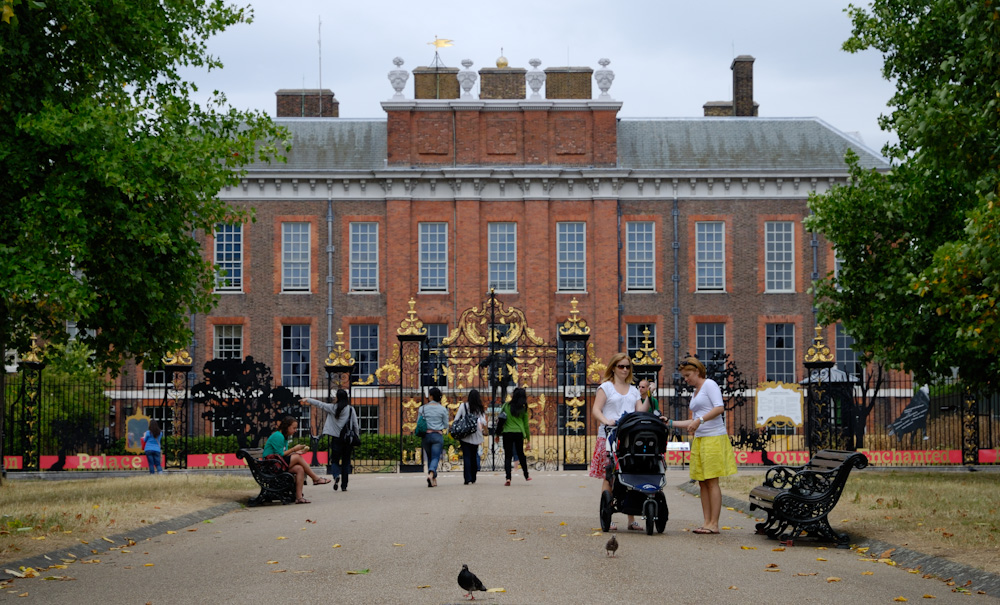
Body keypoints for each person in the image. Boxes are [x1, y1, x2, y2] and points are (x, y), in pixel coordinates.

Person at [672, 357, 737, 534]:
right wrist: (671, 422)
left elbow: (719, 408)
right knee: (702, 482)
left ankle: (714, 524)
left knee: (712, 481)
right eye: (684, 376)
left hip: (713, 438)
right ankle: (706, 522)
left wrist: (699, 420)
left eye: (687, 375)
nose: (685, 379)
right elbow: (694, 420)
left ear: (697, 372)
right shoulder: (696, 392)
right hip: (700, 439)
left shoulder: (709, 384)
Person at [590, 352, 650, 531]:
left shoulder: (633, 389)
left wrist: (647, 396)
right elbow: (596, 409)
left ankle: (632, 519)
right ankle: (608, 515)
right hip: (609, 435)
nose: (625, 369)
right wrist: (606, 420)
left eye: (627, 366)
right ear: (614, 368)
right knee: (610, 476)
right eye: (621, 366)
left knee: (630, 473)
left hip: (629, 437)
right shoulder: (606, 387)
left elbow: (640, 411)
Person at [262, 416, 330, 504]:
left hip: (277, 463)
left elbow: (282, 454)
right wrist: (294, 450)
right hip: (271, 465)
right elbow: (280, 454)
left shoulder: (283, 437)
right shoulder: (278, 436)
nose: (295, 430)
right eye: (294, 428)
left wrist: (296, 451)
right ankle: (315, 478)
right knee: (297, 457)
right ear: (287, 427)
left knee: (299, 469)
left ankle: (299, 498)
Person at [304, 389, 360, 492]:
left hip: (336, 438)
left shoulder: (332, 408)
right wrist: (357, 436)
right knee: (346, 462)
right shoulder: (350, 409)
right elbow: (355, 425)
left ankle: (336, 475)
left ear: (337, 398)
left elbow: (320, 404)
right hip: (347, 440)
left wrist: (308, 399)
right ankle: (344, 485)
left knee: (334, 460)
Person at [495, 386, 531, 486]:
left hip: (507, 433)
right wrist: (528, 440)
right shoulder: (523, 409)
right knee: (520, 454)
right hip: (518, 433)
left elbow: (500, 420)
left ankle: (508, 478)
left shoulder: (506, 406)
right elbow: (526, 425)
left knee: (508, 456)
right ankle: (526, 475)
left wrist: (497, 434)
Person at [453, 388, 487, 485]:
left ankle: (467, 478)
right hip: (475, 433)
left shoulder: (463, 406)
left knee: (466, 456)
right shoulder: (479, 407)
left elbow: (456, 419)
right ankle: (473, 477)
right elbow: (483, 421)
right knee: (473, 455)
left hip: (465, 433)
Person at [418, 387, 450, 487]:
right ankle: (431, 474)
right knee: (436, 457)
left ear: (431, 396)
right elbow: (446, 425)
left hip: (426, 435)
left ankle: (433, 479)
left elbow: (418, 422)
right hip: (437, 435)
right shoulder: (442, 409)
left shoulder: (422, 408)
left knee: (430, 457)